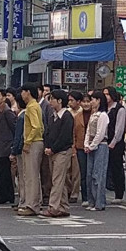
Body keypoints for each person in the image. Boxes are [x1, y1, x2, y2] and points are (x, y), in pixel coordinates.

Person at [43, 89, 74, 217]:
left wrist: (53, 148)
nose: (50, 102)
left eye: (52, 99)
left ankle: (53, 207)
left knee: (57, 180)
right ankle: (64, 206)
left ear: (60, 101)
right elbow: (48, 133)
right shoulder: (53, 115)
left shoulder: (67, 116)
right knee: (58, 179)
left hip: (62, 151)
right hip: (52, 151)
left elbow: (65, 137)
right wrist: (47, 146)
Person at [18, 84, 44, 217]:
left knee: (31, 176)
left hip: (33, 142)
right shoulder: (34, 106)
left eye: (23, 92)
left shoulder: (32, 107)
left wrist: (27, 142)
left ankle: (32, 205)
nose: (22, 95)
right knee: (31, 175)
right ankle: (33, 203)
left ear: (28, 92)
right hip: (36, 142)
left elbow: (36, 126)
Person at [84, 91, 110, 211]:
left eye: (93, 99)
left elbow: (100, 133)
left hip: (101, 146)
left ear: (99, 100)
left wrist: (92, 145)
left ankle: (99, 202)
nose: (91, 102)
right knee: (89, 174)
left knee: (98, 174)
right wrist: (86, 144)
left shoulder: (103, 115)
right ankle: (92, 201)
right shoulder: (93, 114)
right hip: (91, 146)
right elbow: (88, 131)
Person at [0, 89, 17, 205]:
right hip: (0, 146)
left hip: (6, 146)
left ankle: (1, 195)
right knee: (4, 172)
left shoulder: (7, 112)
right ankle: (7, 195)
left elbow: (14, 128)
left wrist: (12, 145)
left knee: (4, 172)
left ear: (3, 99)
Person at [103, 86, 126, 204]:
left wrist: (113, 142)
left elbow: (119, 128)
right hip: (104, 142)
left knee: (116, 168)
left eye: (107, 94)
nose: (106, 96)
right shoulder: (103, 109)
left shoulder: (119, 109)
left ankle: (119, 193)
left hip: (116, 144)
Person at [68, 91, 86, 204]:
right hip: (68, 143)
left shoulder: (82, 113)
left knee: (76, 172)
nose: (70, 103)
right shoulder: (67, 112)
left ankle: (74, 193)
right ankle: (68, 191)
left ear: (78, 102)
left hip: (79, 144)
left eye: (72, 100)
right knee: (67, 171)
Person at [10, 96, 27, 210]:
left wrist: (14, 151)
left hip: (21, 149)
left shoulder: (21, 117)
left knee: (22, 177)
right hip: (24, 148)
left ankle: (23, 200)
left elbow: (18, 135)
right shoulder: (27, 115)